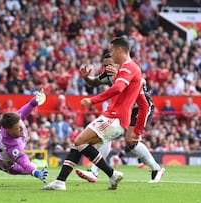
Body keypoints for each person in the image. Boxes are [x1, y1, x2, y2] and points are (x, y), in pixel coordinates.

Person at [42, 37, 145, 191]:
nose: (110, 54)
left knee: (79, 141)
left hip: (115, 117)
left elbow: (118, 88)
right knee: (78, 144)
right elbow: (103, 83)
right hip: (114, 117)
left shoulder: (128, 68)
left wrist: (92, 100)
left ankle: (112, 174)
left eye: (111, 51)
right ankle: (60, 182)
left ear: (119, 50)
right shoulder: (128, 69)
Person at [75, 52, 165, 184]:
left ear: (118, 62)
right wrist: (86, 78)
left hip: (139, 107)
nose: (107, 68)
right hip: (124, 108)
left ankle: (156, 168)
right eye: (104, 65)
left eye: (110, 64)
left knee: (130, 140)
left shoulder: (130, 72)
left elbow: (142, 97)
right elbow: (94, 83)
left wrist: (138, 130)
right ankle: (94, 171)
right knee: (106, 133)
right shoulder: (109, 74)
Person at [0, 91, 49, 184]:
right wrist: (36, 172)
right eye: (18, 128)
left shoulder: (14, 120)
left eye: (21, 125)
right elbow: (25, 163)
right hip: (4, 163)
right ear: (9, 130)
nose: (22, 129)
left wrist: (35, 101)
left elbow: (27, 107)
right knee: (24, 168)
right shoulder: (13, 147)